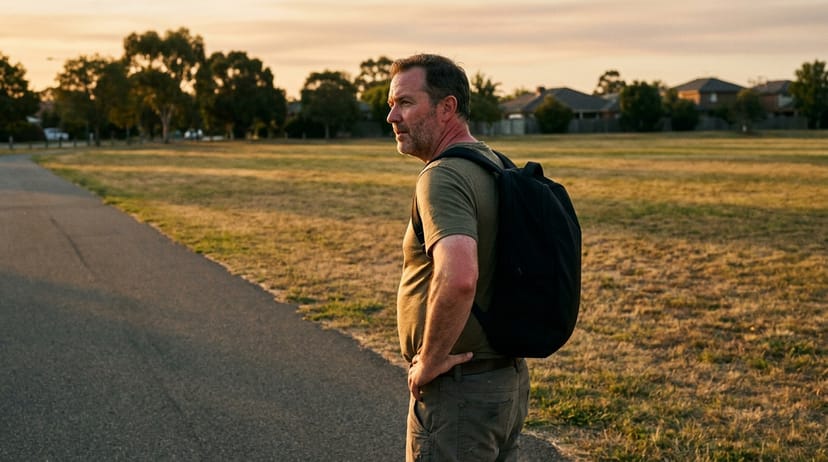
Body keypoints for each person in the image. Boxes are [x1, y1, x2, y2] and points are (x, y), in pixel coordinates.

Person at [388, 53, 530, 461]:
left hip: (459, 392)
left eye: (405, 103)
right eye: (391, 105)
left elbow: (459, 276)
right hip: (504, 383)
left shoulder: (444, 176)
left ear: (446, 107)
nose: (392, 117)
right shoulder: (493, 163)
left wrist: (429, 362)